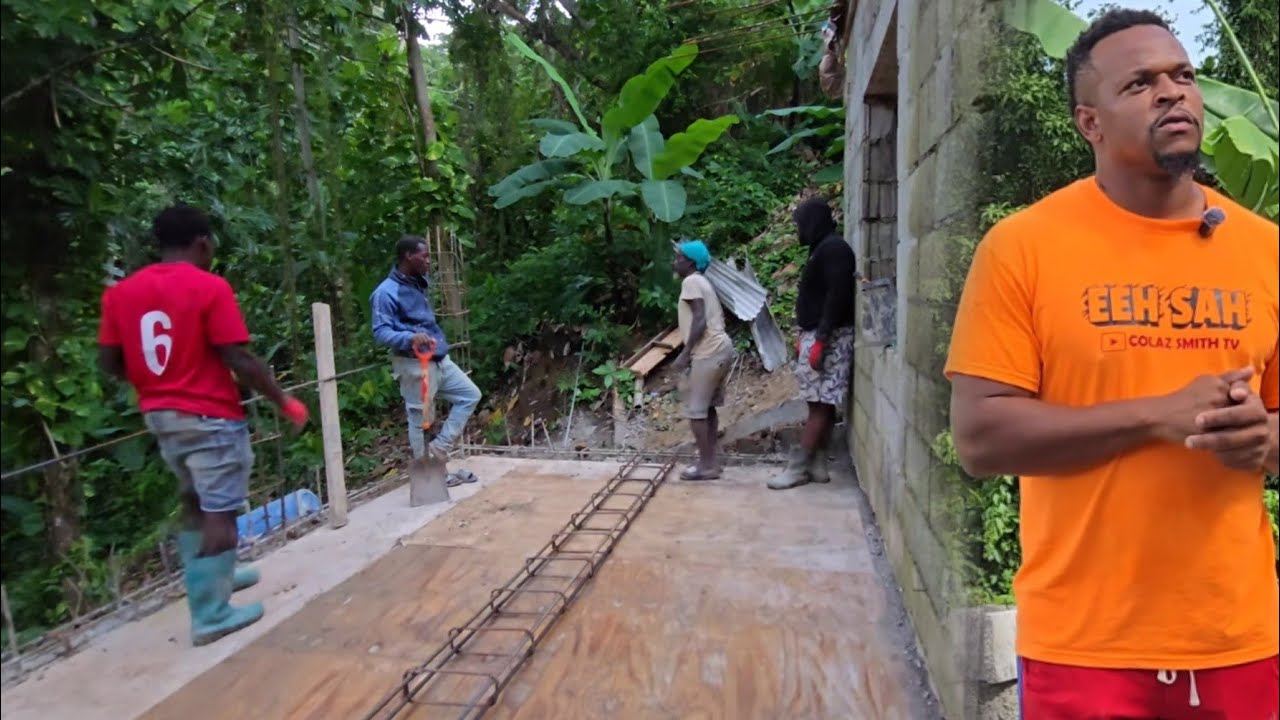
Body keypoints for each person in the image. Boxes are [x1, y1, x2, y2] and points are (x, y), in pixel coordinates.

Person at [945, 9, 1279, 717]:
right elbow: (980, 440)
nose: (1173, 93)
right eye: (1140, 84)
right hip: (1082, 646)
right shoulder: (1022, 248)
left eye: (1182, 76)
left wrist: (1264, 439)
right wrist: (1157, 416)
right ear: (1089, 123)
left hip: (1238, 639)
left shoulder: (1265, 250)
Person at [97, 204, 309, 647]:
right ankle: (210, 614)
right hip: (210, 415)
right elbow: (238, 356)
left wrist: (158, 384)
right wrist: (282, 400)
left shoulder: (121, 294)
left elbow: (111, 362)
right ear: (202, 242)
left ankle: (218, 578)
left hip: (161, 416)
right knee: (222, 513)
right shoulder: (208, 287)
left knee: (195, 498)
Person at [371, 235, 482, 475]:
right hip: (413, 363)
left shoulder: (419, 282)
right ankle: (428, 474)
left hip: (439, 358)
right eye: (425, 256)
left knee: (470, 395)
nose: (429, 261)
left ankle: (439, 448)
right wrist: (409, 338)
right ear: (408, 256)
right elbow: (380, 332)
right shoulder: (386, 293)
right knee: (419, 418)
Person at [768, 197, 858, 490]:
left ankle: (798, 468)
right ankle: (818, 463)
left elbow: (837, 296)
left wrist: (820, 339)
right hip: (820, 333)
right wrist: (805, 334)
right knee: (821, 401)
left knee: (819, 403)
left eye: (799, 224)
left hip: (830, 336)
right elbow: (818, 297)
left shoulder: (834, 250)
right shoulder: (823, 248)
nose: (797, 230)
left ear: (813, 222)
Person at [671, 240, 736, 480]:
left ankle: (706, 465)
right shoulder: (702, 281)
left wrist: (685, 354)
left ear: (690, 262)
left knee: (696, 410)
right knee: (707, 408)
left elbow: (699, 320)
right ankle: (711, 462)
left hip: (709, 350)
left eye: (679, 258)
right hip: (720, 348)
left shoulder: (691, 281)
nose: (675, 262)